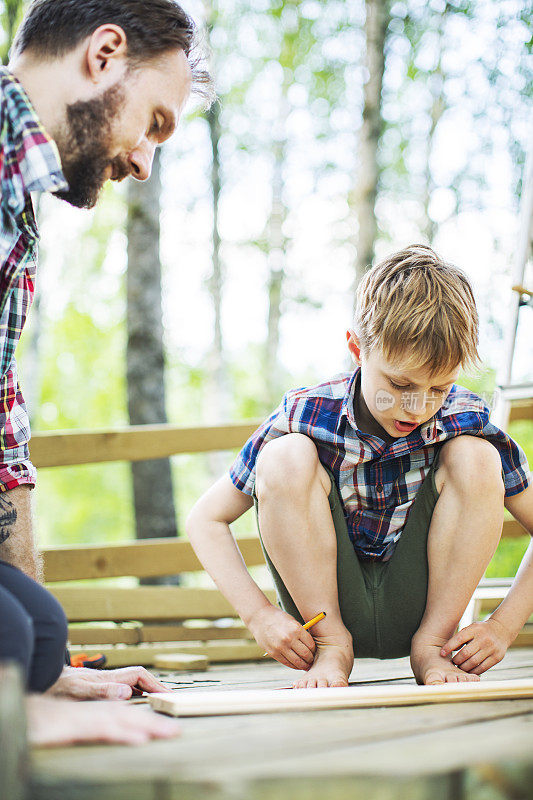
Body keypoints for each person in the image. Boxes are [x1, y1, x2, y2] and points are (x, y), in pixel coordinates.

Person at [0, 0, 213, 742]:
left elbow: (2, 426)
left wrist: (44, 672)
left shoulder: (16, 198)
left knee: (38, 633)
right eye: (154, 123)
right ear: (104, 54)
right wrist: (15, 711)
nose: (144, 163)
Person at [187, 244, 533, 688]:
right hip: (324, 612)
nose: (418, 407)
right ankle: (333, 650)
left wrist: (503, 627)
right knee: (285, 455)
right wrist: (259, 616)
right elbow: (205, 519)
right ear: (357, 348)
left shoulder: (465, 416)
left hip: (424, 611)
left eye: (439, 389)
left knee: (477, 455)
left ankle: (430, 649)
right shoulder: (307, 412)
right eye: (400, 383)